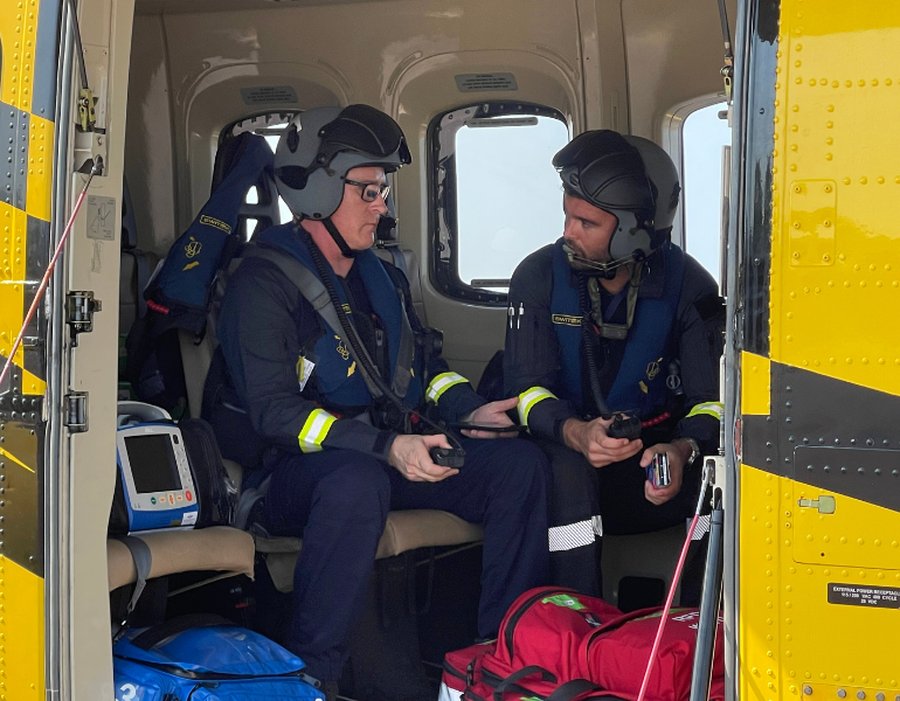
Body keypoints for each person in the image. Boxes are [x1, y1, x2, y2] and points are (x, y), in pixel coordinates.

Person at [209, 104, 550, 693]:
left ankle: (497, 666)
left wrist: (467, 410)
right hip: (295, 474)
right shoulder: (261, 285)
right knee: (355, 482)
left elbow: (426, 372)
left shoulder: (382, 277)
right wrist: (385, 447)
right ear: (319, 192)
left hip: (387, 453)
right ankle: (312, 679)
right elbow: (274, 413)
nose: (382, 207)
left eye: (382, 191)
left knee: (519, 467)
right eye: (368, 191)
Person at [503, 129, 724, 598]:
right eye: (567, 215)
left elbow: (712, 403)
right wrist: (576, 433)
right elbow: (525, 392)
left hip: (647, 464)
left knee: (717, 484)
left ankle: (691, 624)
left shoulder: (692, 289)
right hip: (562, 464)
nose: (568, 232)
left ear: (632, 232)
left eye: (586, 222)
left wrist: (682, 450)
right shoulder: (538, 277)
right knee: (566, 472)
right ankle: (574, 621)